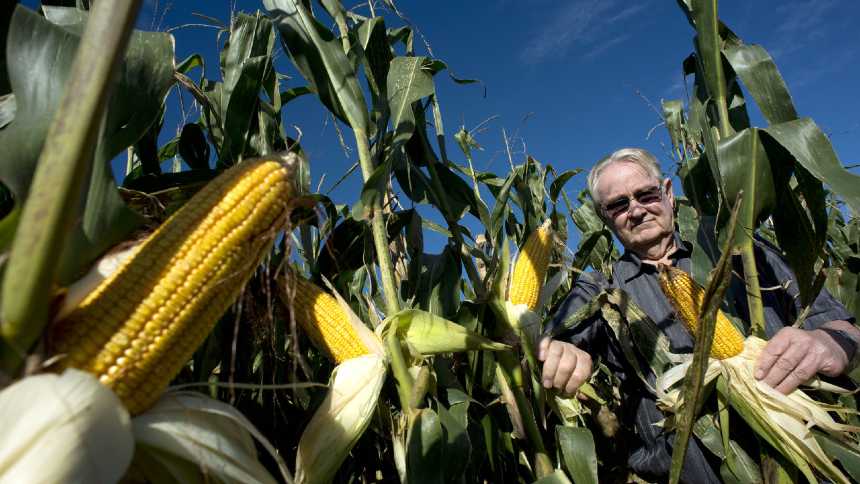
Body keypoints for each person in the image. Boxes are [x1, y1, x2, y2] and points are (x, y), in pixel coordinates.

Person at [538, 147, 859, 482]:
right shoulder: (598, 289)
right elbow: (553, 341)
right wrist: (560, 351)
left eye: (645, 194)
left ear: (668, 193)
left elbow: (840, 326)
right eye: (618, 205)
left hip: (803, 453)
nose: (635, 210)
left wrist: (832, 341)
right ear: (604, 217)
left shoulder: (737, 247)